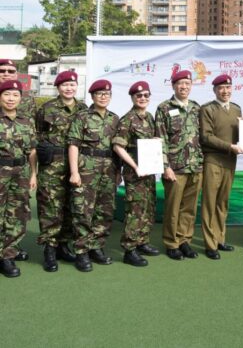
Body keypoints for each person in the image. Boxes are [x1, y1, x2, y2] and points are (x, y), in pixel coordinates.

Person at [36, 70, 87, 272]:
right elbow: (37, 134)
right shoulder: (47, 109)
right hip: (52, 165)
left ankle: (63, 245)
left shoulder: (83, 109)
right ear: (58, 87)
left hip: (77, 164)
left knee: (69, 205)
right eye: (65, 85)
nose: (69, 88)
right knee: (50, 205)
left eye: (72, 85)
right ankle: (50, 248)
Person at [68, 79, 120, 272]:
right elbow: (73, 144)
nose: (103, 97)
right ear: (92, 96)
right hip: (86, 169)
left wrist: (118, 172)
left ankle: (96, 247)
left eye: (107, 94)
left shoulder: (115, 119)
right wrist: (74, 172)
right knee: (83, 211)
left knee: (104, 211)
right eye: (100, 94)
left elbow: (118, 148)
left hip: (109, 170)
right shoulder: (82, 117)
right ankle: (81, 251)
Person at [155, 70, 203, 261]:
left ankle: (184, 240)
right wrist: (165, 166)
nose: (184, 87)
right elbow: (160, 138)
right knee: (173, 208)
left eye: (187, 83)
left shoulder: (196, 107)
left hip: (195, 166)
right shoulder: (164, 108)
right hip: (175, 167)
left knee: (189, 208)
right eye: (180, 83)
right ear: (173, 85)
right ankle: (171, 243)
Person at [112, 81, 159, 267]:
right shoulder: (128, 119)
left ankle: (142, 241)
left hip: (149, 171)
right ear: (132, 97)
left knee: (148, 207)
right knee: (135, 210)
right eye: (139, 96)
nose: (143, 98)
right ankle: (129, 249)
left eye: (146, 95)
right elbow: (118, 146)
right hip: (135, 173)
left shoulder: (149, 117)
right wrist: (135, 166)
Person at [200, 74, 243, 260]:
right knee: (210, 202)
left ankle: (219, 239)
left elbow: (241, 135)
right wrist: (229, 147)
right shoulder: (207, 109)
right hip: (213, 160)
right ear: (215, 90)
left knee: (222, 202)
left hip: (230, 161)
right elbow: (206, 137)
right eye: (221, 88)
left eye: (228, 87)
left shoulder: (237, 109)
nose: (225, 91)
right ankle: (210, 245)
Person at [0, 59, 36, 262]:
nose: (11, 98)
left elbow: (31, 148)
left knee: (18, 211)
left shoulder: (26, 119)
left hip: (20, 171)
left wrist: (33, 173)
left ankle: (8, 252)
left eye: (15, 95)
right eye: (7, 94)